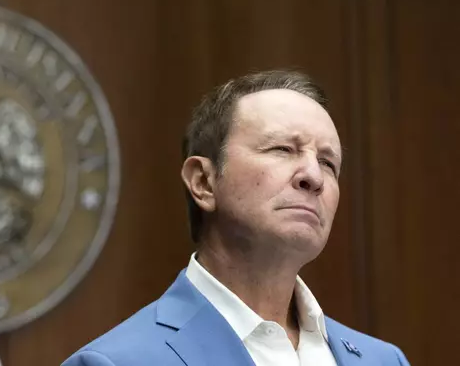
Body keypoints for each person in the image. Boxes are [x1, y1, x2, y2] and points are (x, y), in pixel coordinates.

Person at [62, 70, 410, 366]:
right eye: (283, 150)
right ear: (203, 182)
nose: (313, 177)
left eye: (328, 163)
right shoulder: (117, 362)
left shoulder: (383, 359)